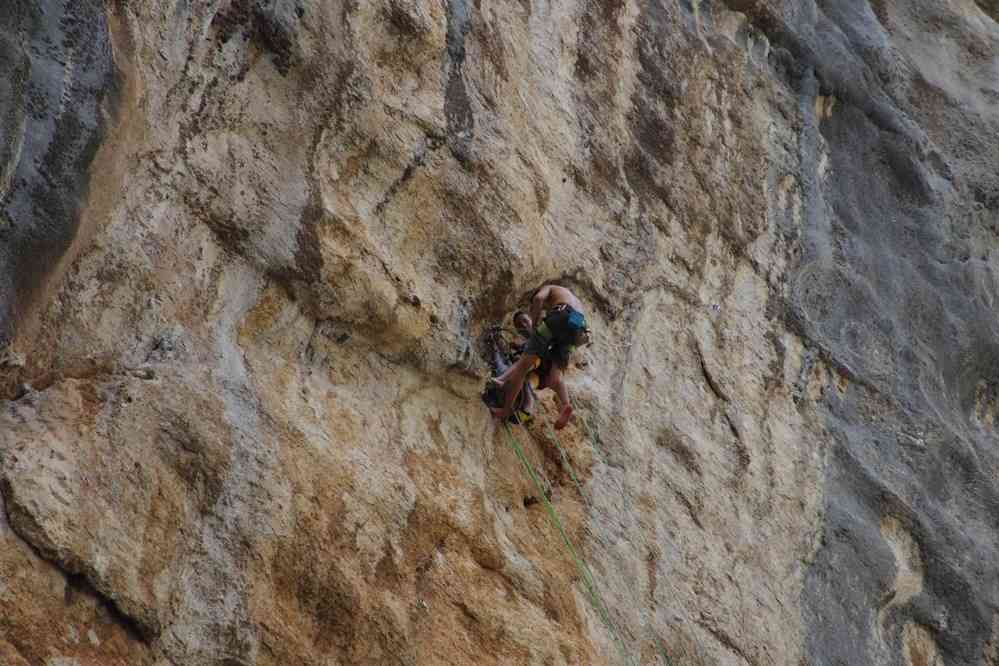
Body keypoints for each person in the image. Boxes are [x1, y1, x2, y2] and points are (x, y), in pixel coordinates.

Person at [490, 285, 588, 429]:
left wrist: (535, 324)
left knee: (522, 368)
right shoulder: (571, 297)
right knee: (556, 378)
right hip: (579, 327)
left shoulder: (549, 288)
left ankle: (505, 410)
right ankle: (565, 405)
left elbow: (538, 298)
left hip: (561, 316)